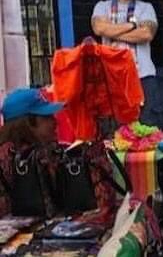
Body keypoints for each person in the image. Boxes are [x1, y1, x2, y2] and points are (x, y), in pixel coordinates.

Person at [0, 88, 117, 217]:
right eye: (47, 117)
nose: (55, 122)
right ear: (29, 123)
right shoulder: (46, 157)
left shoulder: (53, 152)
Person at [91, 0, 159, 124]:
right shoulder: (102, 6)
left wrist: (112, 31)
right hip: (112, 77)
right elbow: (99, 29)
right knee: (115, 127)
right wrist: (133, 25)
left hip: (142, 76)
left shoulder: (146, 7)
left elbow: (146, 34)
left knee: (145, 125)